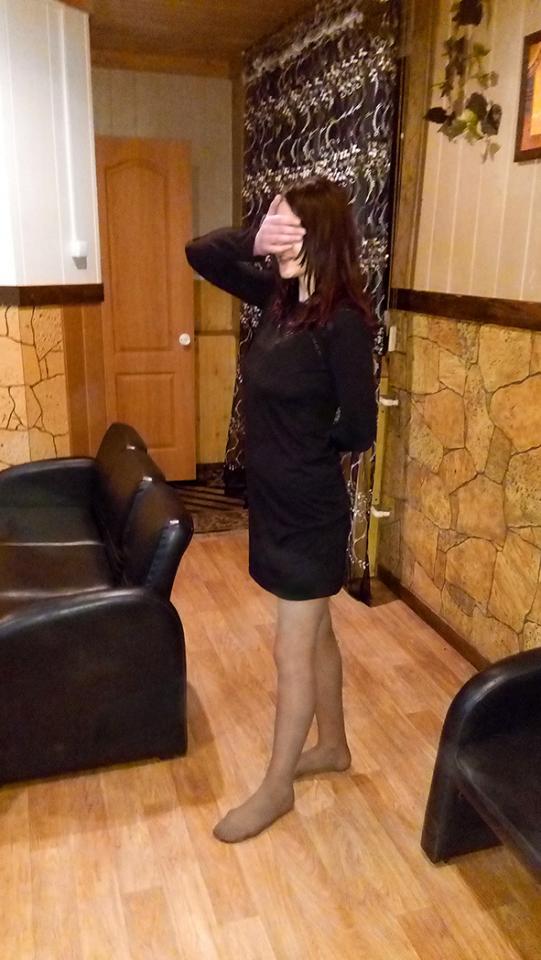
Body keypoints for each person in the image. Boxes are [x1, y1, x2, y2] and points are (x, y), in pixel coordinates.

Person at [185, 175, 378, 843]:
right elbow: (200, 252)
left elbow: (359, 428)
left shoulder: (342, 323)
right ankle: (334, 746)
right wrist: (254, 237)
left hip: (309, 510)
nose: (279, 240)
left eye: (291, 228)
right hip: (273, 504)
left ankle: (276, 788)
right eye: (275, 225)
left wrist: (303, 454)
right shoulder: (277, 299)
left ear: (320, 236)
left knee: (290, 648)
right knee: (318, 634)